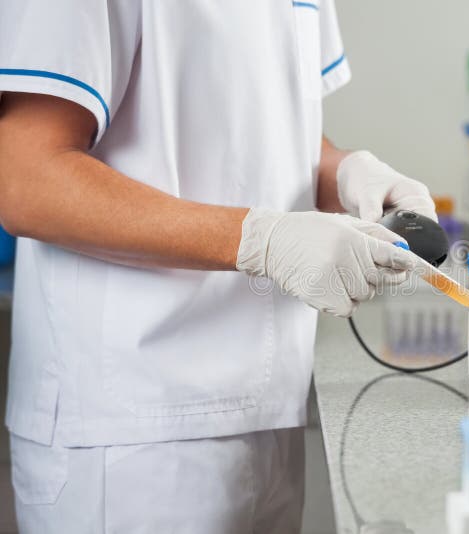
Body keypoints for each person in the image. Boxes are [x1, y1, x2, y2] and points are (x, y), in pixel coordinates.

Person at [0, 1, 436, 532]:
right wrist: (262, 240)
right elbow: (25, 178)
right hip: (133, 433)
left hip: (270, 407)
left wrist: (346, 172)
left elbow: (275, 134)